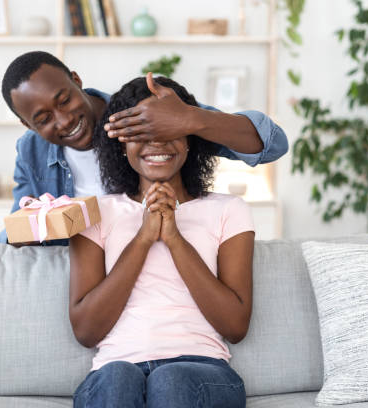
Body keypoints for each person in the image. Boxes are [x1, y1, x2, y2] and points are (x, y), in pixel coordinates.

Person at [69, 76, 254, 407]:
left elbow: (235, 325)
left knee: (172, 380)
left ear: (189, 139)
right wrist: (143, 238)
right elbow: (86, 332)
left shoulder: (229, 210)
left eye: (168, 131)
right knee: (117, 377)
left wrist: (173, 237)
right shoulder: (93, 213)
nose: (157, 143)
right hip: (115, 372)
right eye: (140, 134)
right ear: (121, 145)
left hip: (202, 371)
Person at [0, 50, 287, 245]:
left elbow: (273, 145)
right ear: (28, 125)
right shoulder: (32, 151)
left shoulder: (141, 111)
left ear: (76, 81)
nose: (64, 120)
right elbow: (14, 236)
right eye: (43, 119)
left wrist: (190, 118)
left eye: (64, 100)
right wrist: (36, 226)